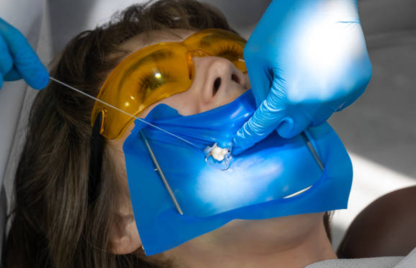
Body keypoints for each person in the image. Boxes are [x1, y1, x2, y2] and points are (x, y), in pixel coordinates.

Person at [3, 1, 338, 267]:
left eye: (233, 53)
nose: (225, 68)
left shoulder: (390, 225)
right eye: (155, 83)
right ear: (121, 223)